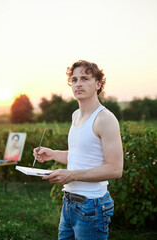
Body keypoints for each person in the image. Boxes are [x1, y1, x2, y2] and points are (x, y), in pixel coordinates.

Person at [33, 60, 123, 240]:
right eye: (74, 80)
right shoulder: (76, 115)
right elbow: (80, 156)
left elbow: (115, 169)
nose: (78, 84)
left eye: (85, 78)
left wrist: (72, 175)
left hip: (92, 206)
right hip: (69, 203)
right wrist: (52, 154)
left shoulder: (105, 119)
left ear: (98, 84)